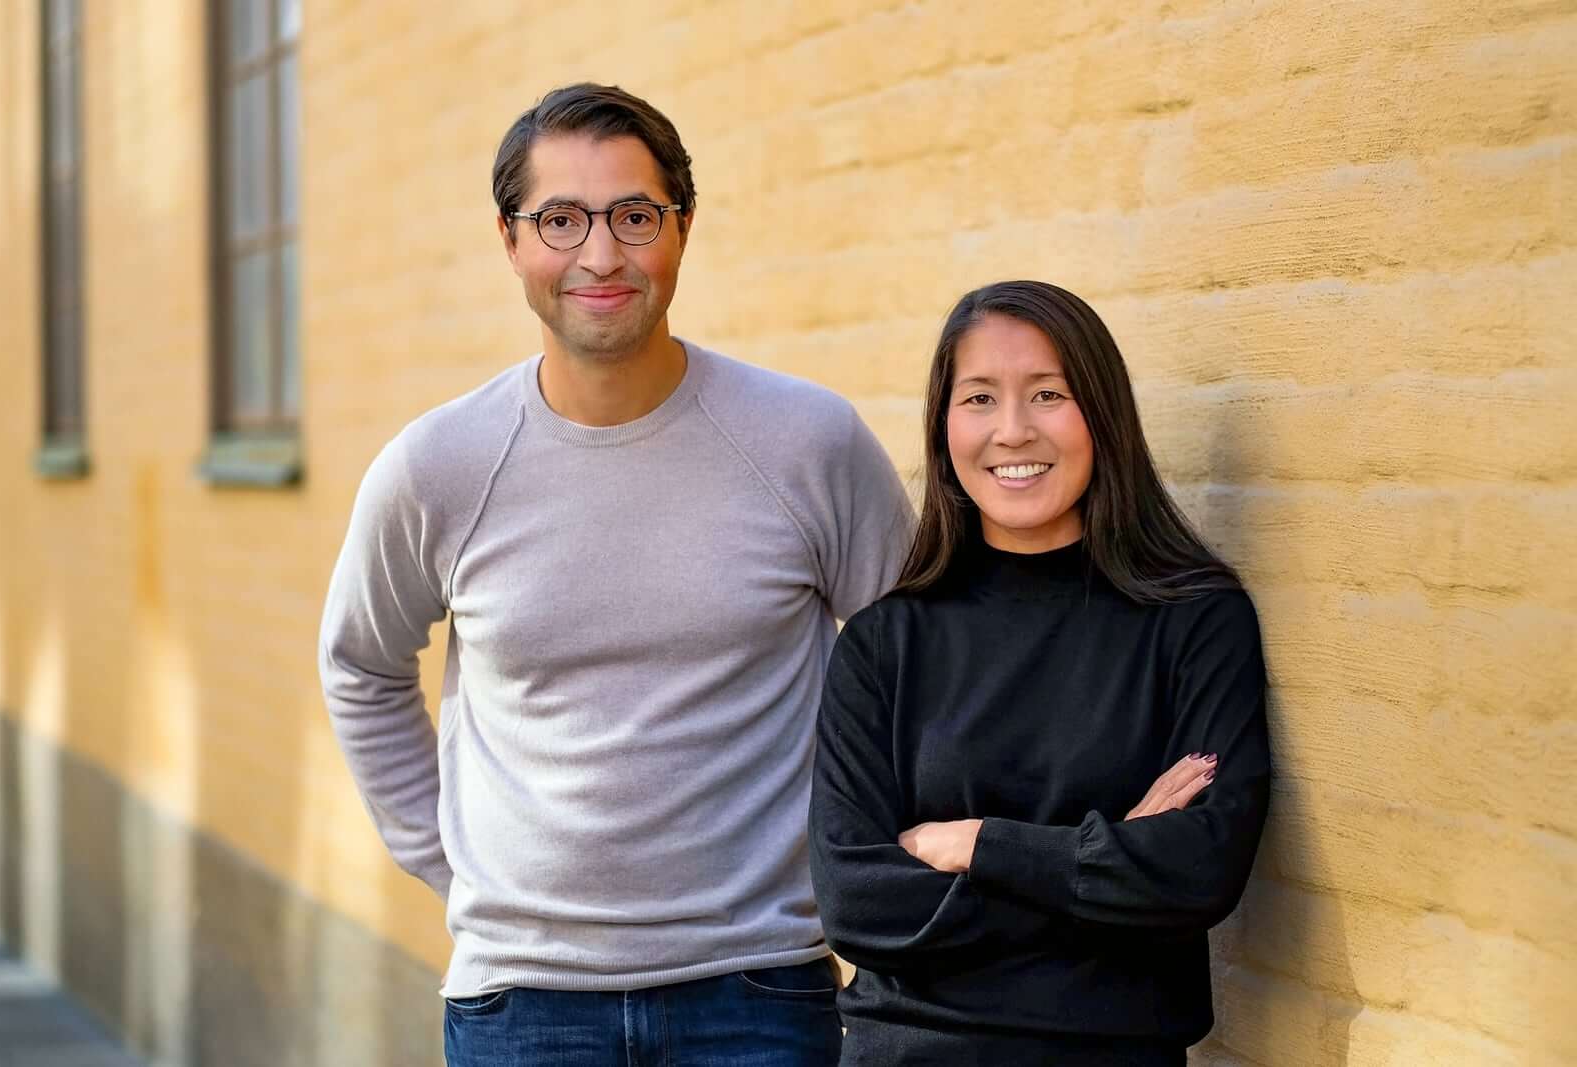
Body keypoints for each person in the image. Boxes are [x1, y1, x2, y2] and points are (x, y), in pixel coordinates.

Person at [319, 83, 912, 1066]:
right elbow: (360, 664)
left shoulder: (808, 441)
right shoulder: (439, 465)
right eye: (561, 219)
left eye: (634, 216)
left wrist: (852, 862)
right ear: (510, 240)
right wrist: (451, 858)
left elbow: (908, 667)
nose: (600, 255)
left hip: (761, 988)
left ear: (682, 227)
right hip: (523, 1003)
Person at [808, 281, 1272, 1065]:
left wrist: (983, 845)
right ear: (944, 426)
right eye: (980, 397)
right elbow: (856, 901)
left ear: (1102, 413)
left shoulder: (1195, 622)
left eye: (1048, 394)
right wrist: (1110, 855)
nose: (1012, 431)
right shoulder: (885, 643)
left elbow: (1202, 869)